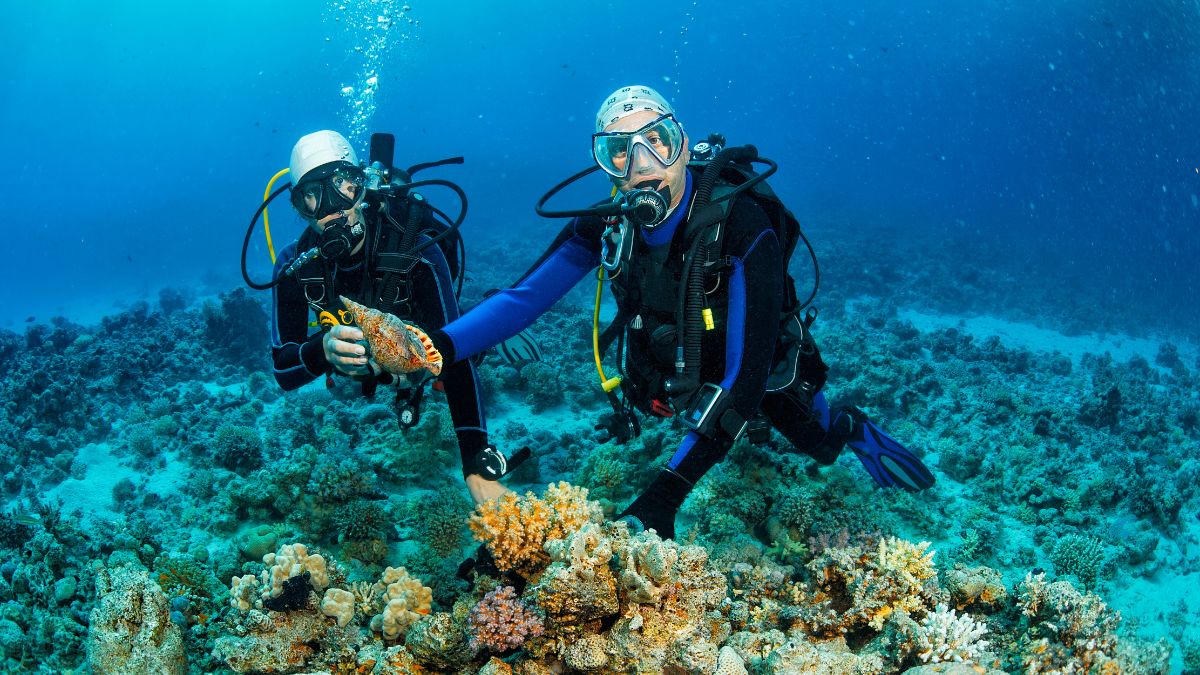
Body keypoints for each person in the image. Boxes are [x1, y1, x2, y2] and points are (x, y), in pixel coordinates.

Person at [421, 86, 935, 537]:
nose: (642, 164)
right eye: (619, 151)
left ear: (683, 148)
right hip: (678, 364)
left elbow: (743, 378)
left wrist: (662, 500)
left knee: (816, 444)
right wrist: (431, 347)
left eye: (658, 141)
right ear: (606, 168)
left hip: (754, 365)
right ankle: (710, 420)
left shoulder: (741, 224)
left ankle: (849, 426)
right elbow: (521, 301)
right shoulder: (607, 227)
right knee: (657, 394)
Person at [267, 130, 517, 506]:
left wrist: (475, 466)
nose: (333, 208)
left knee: (461, 355)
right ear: (300, 206)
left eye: (342, 186)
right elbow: (284, 373)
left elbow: (458, 356)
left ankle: (491, 313)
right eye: (313, 197)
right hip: (369, 366)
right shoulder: (294, 264)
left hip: (426, 346)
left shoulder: (414, 244)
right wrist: (322, 350)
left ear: (362, 187)